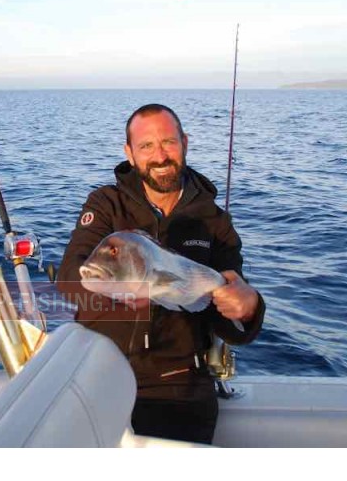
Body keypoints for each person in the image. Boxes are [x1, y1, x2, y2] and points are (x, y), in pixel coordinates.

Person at [56, 103, 264, 444]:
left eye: (168, 142)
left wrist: (249, 306)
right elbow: (69, 281)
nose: (160, 156)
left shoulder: (214, 222)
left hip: (180, 386)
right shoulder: (106, 204)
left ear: (184, 142)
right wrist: (134, 282)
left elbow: (233, 326)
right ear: (130, 152)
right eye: (146, 146)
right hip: (99, 372)